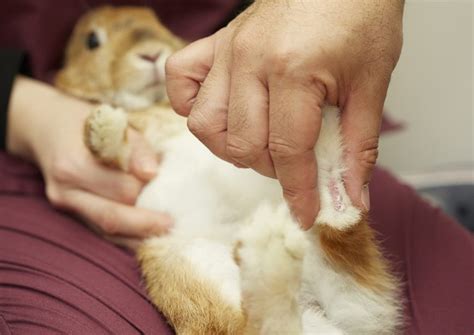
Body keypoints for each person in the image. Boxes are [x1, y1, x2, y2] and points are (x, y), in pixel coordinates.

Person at [0, 1, 472, 334]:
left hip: (255, 125)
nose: (146, 50)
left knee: (457, 309)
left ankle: (334, 206)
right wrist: (24, 110)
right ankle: (273, 312)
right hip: (34, 142)